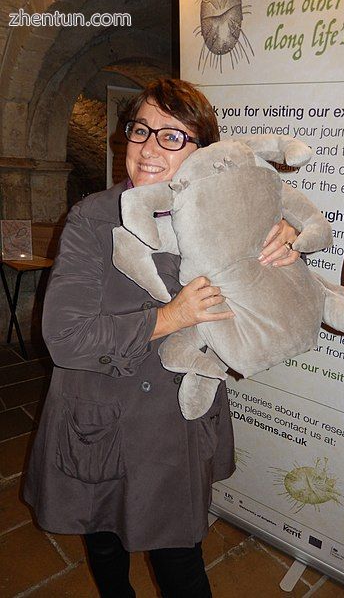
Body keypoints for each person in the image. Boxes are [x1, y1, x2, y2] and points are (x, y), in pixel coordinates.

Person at [24, 78, 299, 598]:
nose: (150, 148)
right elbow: (63, 338)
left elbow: (265, 306)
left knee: (180, 554)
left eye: (174, 136)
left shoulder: (229, 214)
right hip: (104, 413)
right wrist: (167, 319)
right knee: (103, 535)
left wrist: (285, 242)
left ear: (203, 152)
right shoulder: (93, 219)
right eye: (142, 130)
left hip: (176, 417)